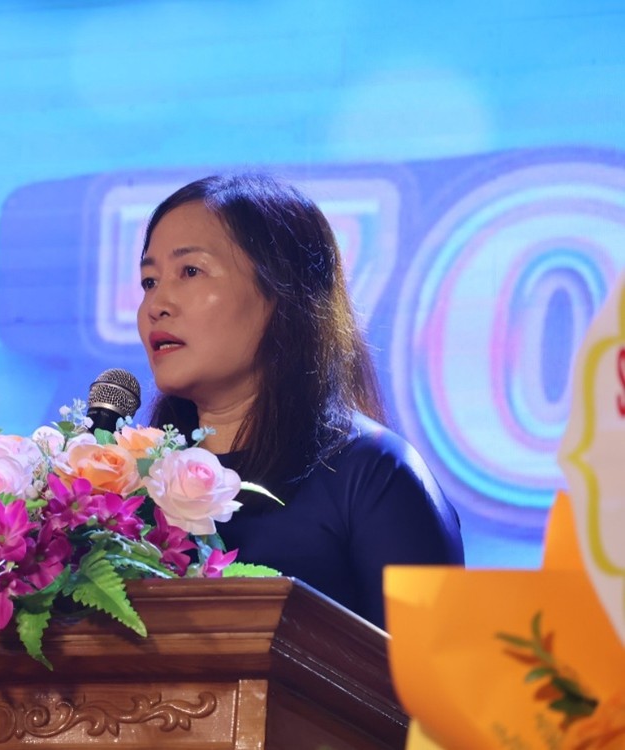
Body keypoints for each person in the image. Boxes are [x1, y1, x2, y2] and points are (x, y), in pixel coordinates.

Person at [136, 172, 463, 629]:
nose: (156, 305)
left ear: (282, 294)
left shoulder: (374, 477)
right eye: (149, 281)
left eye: (190, 271)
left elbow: (432, 668)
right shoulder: (132, 486)